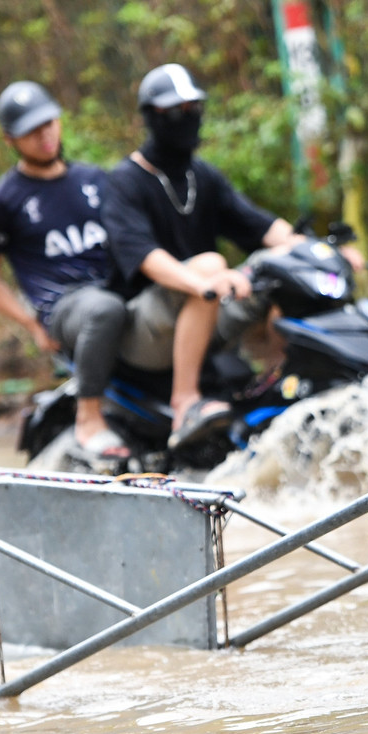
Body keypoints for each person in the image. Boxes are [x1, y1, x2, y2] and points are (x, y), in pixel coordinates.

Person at [102, 63, 308, 450]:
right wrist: (203, 282)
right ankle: (185, 402)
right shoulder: (125, 182)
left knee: (280, 272)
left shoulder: (203, 177)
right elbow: (145, 257)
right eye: (176, 112)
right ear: (152, 117)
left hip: (203, 311)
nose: (188, 119)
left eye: (194, 108)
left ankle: (283, 388)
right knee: (213, 265)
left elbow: (263, 227)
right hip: (142, 330)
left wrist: (317, 250)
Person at [0, 80, 129, 464]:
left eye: (49, 124)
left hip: (114, 290)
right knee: (104, 309)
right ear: (10, 140)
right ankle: (89, 419)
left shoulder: (95, 179)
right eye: (31, 131)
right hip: (65, 307)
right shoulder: (2, 201)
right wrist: (30, 322)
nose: (44, 136)